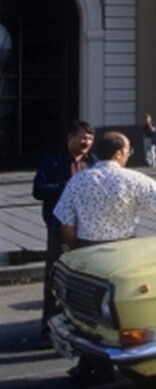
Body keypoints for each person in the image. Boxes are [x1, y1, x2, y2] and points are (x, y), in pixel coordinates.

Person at [53, 131, 156, 383]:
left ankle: (89, 361)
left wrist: (73, 247)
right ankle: (115, 358)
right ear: (119, 153)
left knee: (86, 312)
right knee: (113, 311)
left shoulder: (78, 180)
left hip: (85, 250)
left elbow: (64, 223)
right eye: (129, 151)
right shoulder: (131, 179)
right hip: (121, 251)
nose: (130, 155)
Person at [31, 119, 95, 345]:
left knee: (86, 280)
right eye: (82, 137)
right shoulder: (53, 162)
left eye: (90, 138)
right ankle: (49, 329)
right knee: (55, 278)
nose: (86, 142)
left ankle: (82, 328)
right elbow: (38, 190)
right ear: (70, 138)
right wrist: (67, 185)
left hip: (87, 231)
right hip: (59, 229)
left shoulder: (94, 163)